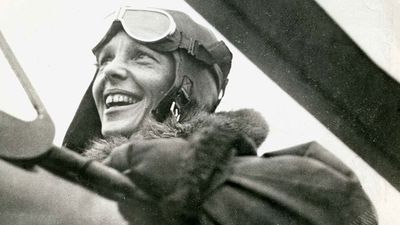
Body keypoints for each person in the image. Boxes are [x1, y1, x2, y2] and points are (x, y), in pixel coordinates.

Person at [59, 7, 378, 225]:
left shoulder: (277, 184)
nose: (109, 71)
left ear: (188, 88)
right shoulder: (60, 187)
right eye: (103, 62)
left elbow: (338, 203)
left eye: (142, 58)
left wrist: (196, 172)